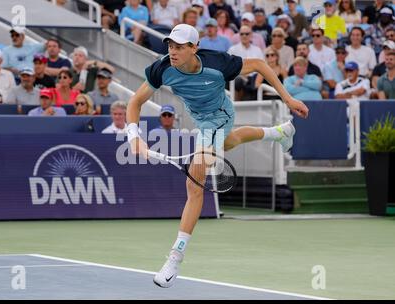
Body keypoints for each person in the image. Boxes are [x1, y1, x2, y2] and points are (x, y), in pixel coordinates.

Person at [126, 24, 308, 288]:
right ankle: (279, 132)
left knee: (194, 182)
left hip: (220, 115)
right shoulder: (162, 68)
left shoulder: (217, 63)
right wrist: (134, 138)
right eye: (170, 46)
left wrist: (288, 99)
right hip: (199, 119)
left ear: (194, 48)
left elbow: (259, 64)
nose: (173, 52)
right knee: (231, 140)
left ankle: (175, 257)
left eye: (179, 47)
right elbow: (134, 103)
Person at [228, 25, 264, 100]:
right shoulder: (232, 50)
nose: (244, 36)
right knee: (238, 81)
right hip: (239, 77)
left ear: (251, 35)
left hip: (254, 79)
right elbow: (229, 67)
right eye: (242, 34)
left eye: (247, 34)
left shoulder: (257, 50)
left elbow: (262, 68)